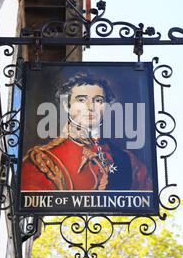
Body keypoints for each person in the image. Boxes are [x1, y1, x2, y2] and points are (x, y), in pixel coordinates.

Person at [21, 72, 152, 191]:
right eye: (81, 100)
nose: (90, 107)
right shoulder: (42, 160)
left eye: (98, 100)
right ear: (67, 106)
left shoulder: (129, 162)